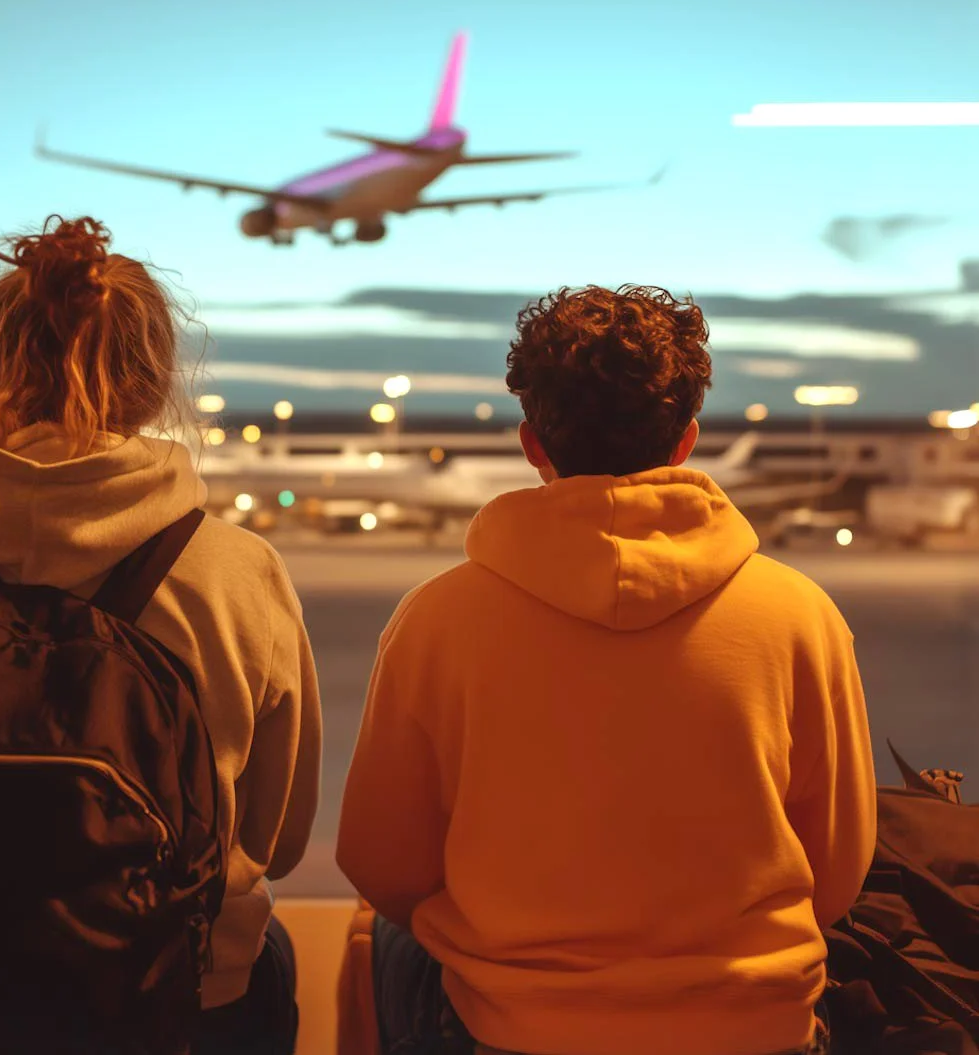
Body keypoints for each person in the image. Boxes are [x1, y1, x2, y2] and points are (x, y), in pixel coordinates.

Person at [0, 215, 320, 1055]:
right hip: (180, 991)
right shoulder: (238, 572)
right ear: (156, 380)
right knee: (265, 953)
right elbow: (277, 837)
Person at [336, 285, 877, 1055]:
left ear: (531, 442)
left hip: (512, 1028)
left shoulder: (435, 619)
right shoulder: (800, 614)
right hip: (753, 1027)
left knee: (384, 944)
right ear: (687, 437)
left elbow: (380, 863)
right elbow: (837, 867)